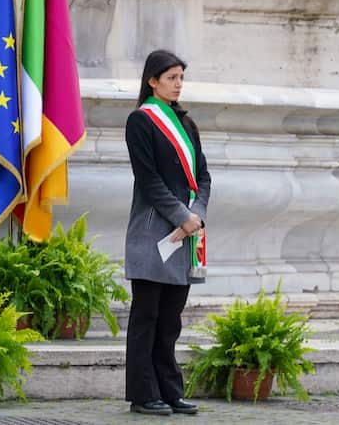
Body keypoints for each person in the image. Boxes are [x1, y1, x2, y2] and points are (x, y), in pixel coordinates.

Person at [125, 49, 210, 416]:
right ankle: (143, 395)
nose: (178, 85)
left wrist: (196, 215)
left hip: (187, 233)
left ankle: (170, 391)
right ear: (152, 81)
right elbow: (149, 180)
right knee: (147, 317)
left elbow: (203, 176)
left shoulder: (187, 123)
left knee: (171, 319)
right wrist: (181, 214)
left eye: (180, 78)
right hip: (153, 234)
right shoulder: (140, 121)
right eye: (171, 78)